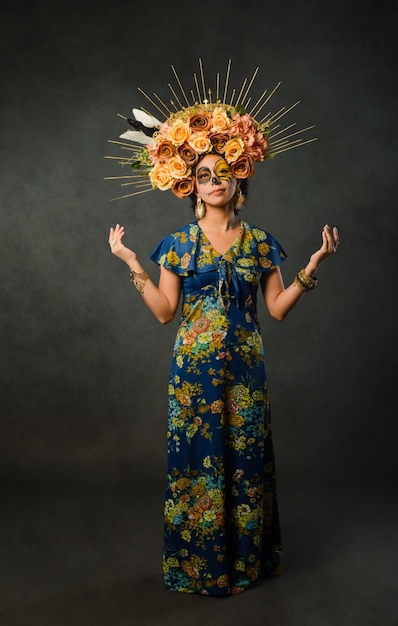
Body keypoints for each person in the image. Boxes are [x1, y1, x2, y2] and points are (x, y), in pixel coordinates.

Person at [107, 62, 339, 596]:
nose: (215, 182)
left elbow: (277, 308)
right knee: (197, 463)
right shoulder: (175, 244)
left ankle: (244, 565)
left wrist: (313, 265)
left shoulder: (260, 242)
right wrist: (128, 260)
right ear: (191, 185)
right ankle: (198, 567)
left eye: (223, 174)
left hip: (245, 369)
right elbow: (165, 312)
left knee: (245, 461)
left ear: (241, 179)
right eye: (205, 175)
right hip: (193, 372)